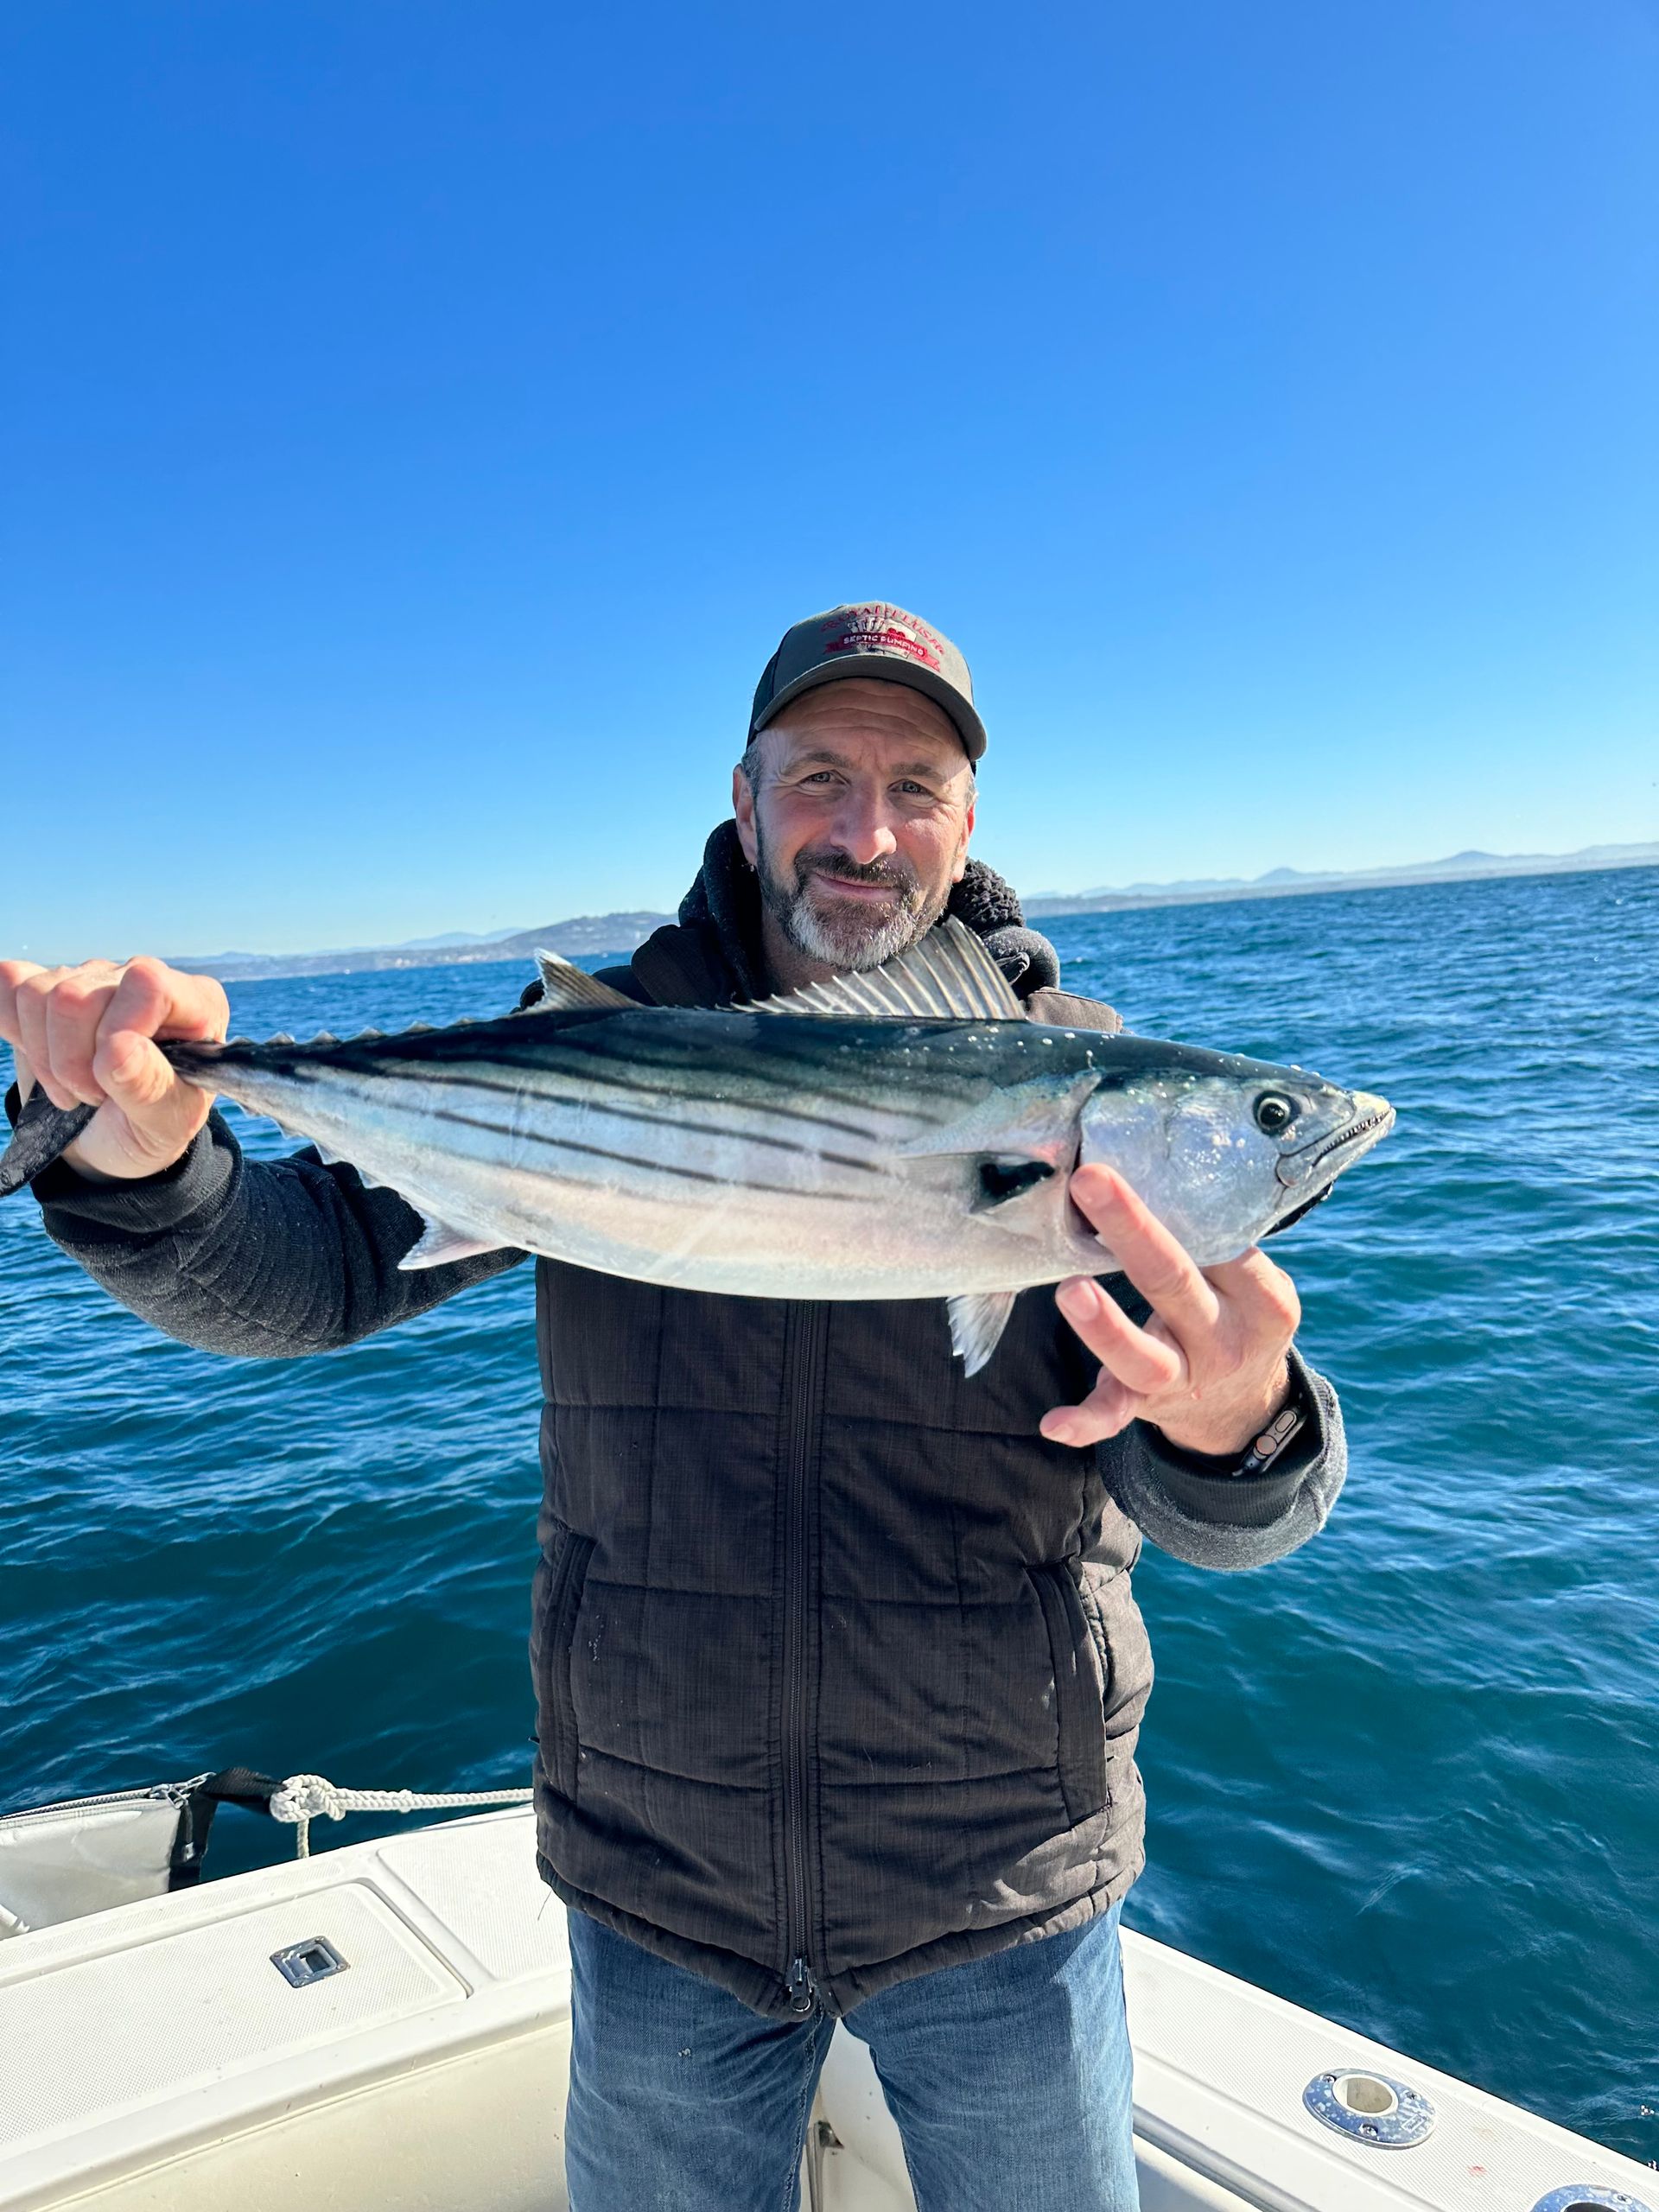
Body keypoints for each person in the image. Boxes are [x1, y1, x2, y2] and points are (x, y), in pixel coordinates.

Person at [0, 602, 1346, 2212]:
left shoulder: (1081, 1082)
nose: (865, 830)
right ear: (745, 790)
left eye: (915, 785)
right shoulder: (601, 1043)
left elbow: (1232, 1512)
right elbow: (307, 1283)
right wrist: (143, 1157)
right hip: (658, 1886)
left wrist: (1239, 1417)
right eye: (820, 776)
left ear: (968, 818)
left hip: (1006, 1881)